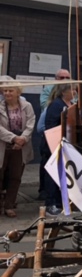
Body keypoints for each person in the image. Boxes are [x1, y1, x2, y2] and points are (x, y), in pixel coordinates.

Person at [0, 78, 35, 218]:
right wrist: (13, 138)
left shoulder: (27, 106)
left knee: (15, 177)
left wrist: (22, 139)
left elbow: (31, 124)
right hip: (3, 146)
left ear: (18, 92)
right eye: (5, 91)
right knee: (0, 176)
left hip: (20, 148)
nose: (7, 93)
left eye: (10, 90)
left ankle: (9, 205)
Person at [42, 83, 76, 216]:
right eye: (72, 89)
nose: (74, 92)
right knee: (53, 175)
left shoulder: (71, 104)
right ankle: (50, 204)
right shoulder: (56, 105)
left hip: (67, 144)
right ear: (64, 92)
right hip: (54, 144)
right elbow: (51, 126)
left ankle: (61, 201)